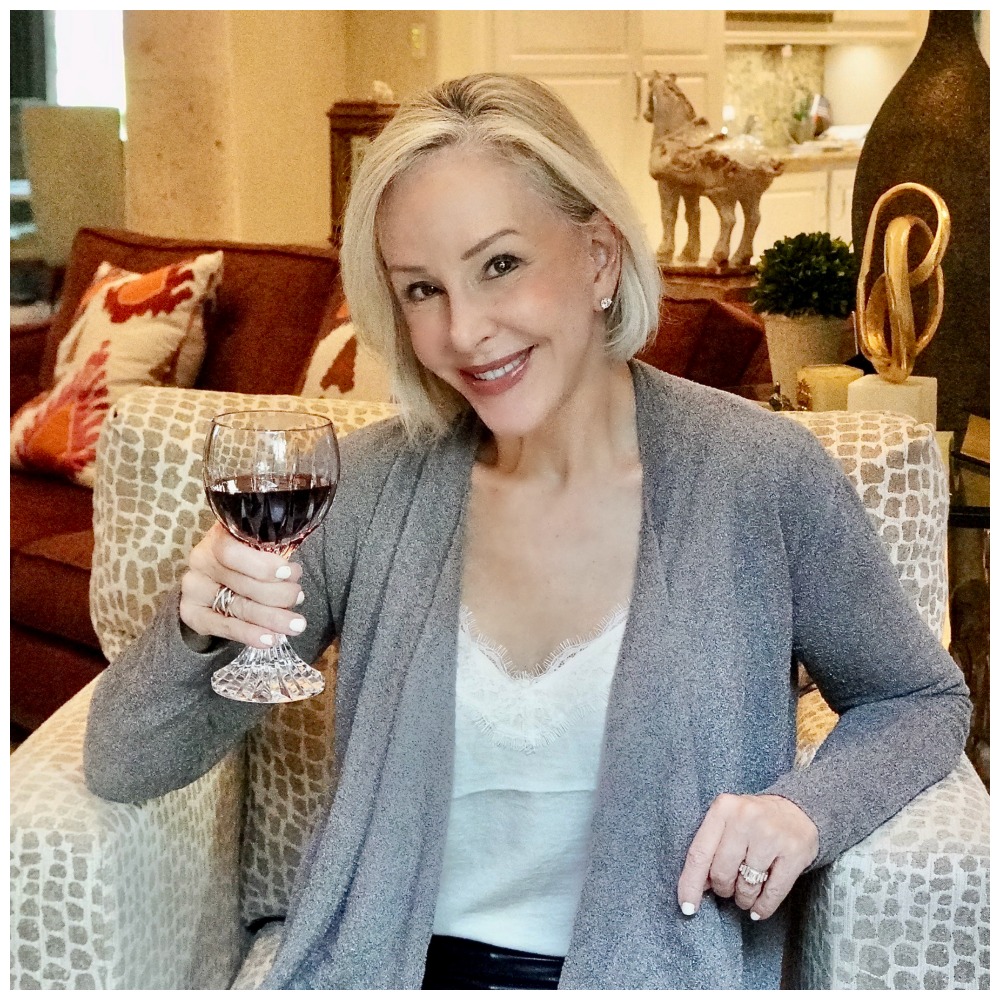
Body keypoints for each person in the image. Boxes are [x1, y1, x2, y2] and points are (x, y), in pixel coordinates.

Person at [84, 73, 970, 990]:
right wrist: (199, 631)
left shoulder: (760, 476)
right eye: (422, 290)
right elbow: (125, 762)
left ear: (596, 255)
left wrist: (807, 811)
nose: (465, 331)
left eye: (500, 265)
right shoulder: (367, 488)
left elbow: (918, 699)